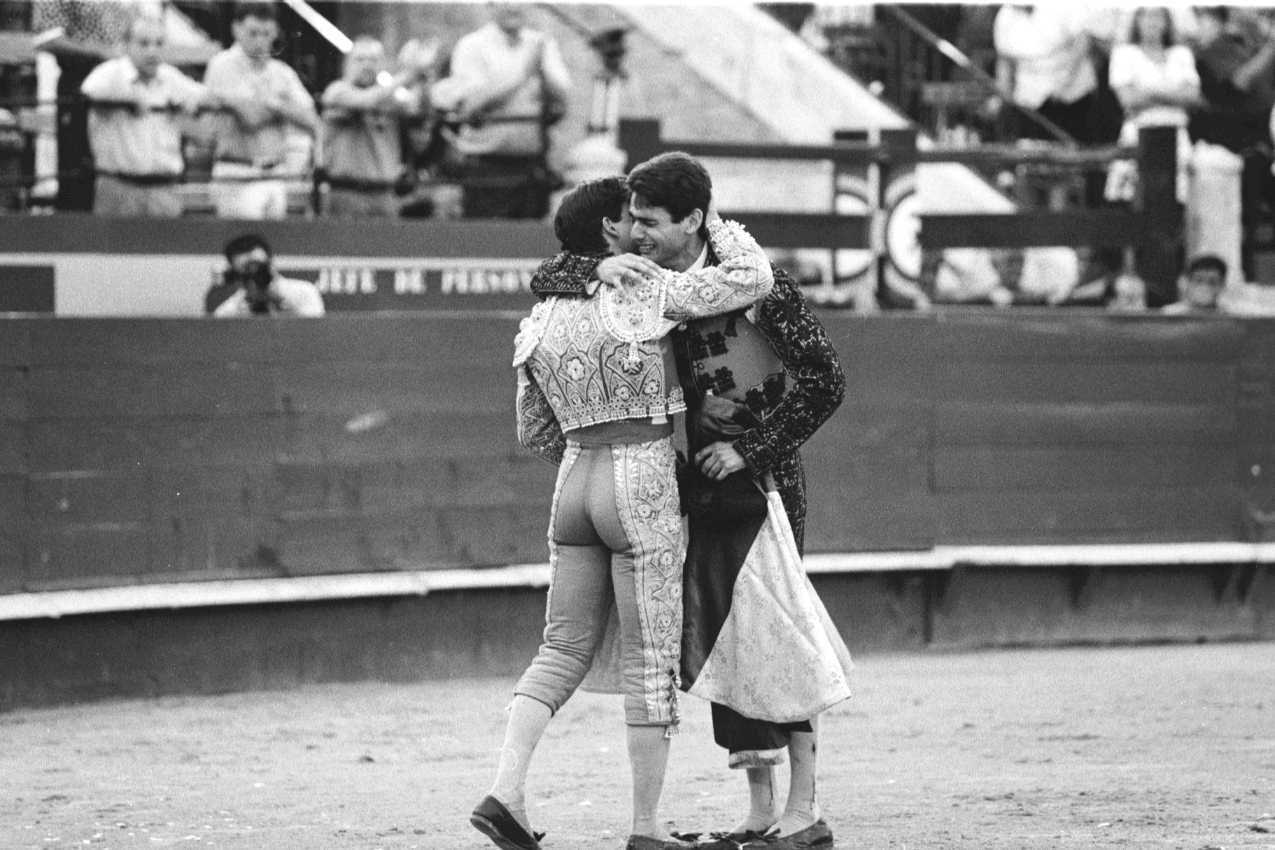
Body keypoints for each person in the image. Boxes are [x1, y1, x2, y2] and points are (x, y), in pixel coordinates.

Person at [530, 154, 851, 850]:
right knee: (722, 639)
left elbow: (824, 382)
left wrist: (751, 450)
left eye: (648, 223)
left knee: (778, 634)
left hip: (762, 484)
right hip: (696, 485)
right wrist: (592, 269)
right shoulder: (658, 283)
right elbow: (551, 272)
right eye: (631, 221)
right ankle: (761, 810)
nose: (635, 235)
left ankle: (806, 808)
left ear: (693, 220)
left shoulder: (759, 286)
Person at [472, 174, 779, 850]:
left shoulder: (541, 315)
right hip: (636, 482)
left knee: (560, 648)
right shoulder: (642, 291)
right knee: (649, 661)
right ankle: (644, 828)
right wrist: (716, 222)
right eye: (628, 219)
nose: (639, 230)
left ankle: (506, 790)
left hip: (574, 484)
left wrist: (587, 453)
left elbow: (534, 432)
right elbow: (751, 278)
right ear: (610, 232)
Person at [431, 3, 571, 219]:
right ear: (490, 5)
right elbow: (470, 105)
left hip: (533, 167)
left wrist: (543, 71)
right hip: (488, 169)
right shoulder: (472, 45)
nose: (513, 6)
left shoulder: (541, 44)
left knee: (531, 248)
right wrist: (521, 76)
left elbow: (564, 97)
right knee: (489, 244)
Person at [80, 14, 211, 216]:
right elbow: (89, 92)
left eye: (158, 43)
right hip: (119, 187)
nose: (152, 51)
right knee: (114, 246)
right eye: (143, 43)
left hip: (165, 188)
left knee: (166, 246)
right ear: (126, 45)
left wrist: (186, 109)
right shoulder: (110, 74)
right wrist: (127, 101)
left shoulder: (170, 77)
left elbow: (206, 98)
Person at [203, 2, 317, 219]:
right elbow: (251, 119)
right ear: (236, 29)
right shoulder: (222, 65)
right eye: (252, 33)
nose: (260, 41)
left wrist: (275, 105)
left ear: (275, 32)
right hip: (236, 173)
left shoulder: (282, 72)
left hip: (275, 174)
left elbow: (311, 119)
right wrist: (282, 107)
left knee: (275, 247)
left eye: (266, 33)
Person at [320, 36, 426, 217]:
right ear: (347, 63)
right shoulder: (337, 91)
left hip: (384, 193)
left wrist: (421, 75)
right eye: (360, 59)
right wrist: (407, 75)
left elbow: (415, 107)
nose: (367, 65)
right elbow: (365, 101)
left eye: (374, 60)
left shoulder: (389, 97)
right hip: (347, 192)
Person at [1105, 7, 1200, 204]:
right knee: (1135, 201)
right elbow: (1128, 99)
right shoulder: (1124, 54)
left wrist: (1148, 91)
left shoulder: (1181, 54)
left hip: (1177, 136)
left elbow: (1192, 96)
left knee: (1179, 200)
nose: (1152, 22)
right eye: (1146, 16)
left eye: (1158, 16)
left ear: (1167, 22)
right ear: (1137, 20)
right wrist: (1172, 93)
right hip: (1139, 133)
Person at [208, 233, 324, 317]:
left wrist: (286, 308)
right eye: (247, 271)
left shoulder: (304, 292)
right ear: (236, 274)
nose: (255, 274)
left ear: (271, 262)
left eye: (260, 267)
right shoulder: (229, 311)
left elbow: (314, 334)